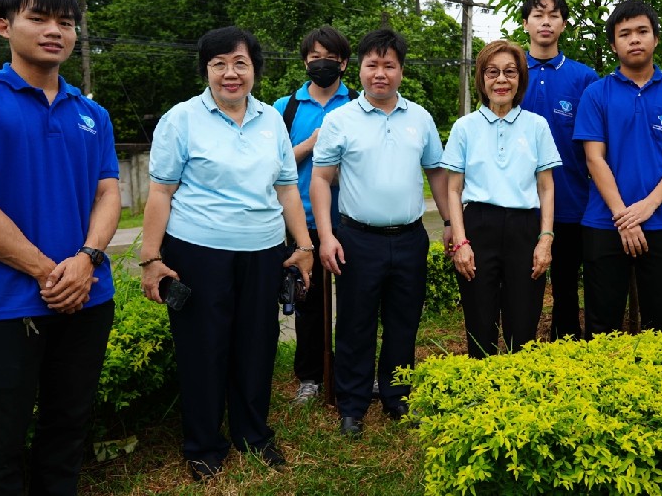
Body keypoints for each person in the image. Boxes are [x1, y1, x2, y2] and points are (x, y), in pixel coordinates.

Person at [0, 0, 121, 495]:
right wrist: (48, 271)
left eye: (65, 23)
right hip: (4, 303)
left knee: (67, 428)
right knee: (2, 438)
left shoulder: (93, 113)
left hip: (87, 295)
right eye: (38, 19)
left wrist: (85, 261)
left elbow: (109, 194)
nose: (55, 31)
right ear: (4, 27)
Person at [139, 26, 313, 480]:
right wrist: (151, 257)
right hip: (198, 250)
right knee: (202, 347)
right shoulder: (181, 119)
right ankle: (203, 445)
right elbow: (160, 193)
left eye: (241, 63)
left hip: (263, 250)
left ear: (255, 69)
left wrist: (305, 245)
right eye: (219, 64)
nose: (230, 74)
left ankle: (253, 434)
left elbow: (287, 188)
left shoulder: (271, 119)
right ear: (206, 71)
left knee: (258, 344)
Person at [310, 29, 451, 439]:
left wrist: (448, 224)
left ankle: (397, 396)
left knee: (403, 322)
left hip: (409, 238)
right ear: (359, 69)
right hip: (357, 238)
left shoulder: (420, 118)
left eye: (389, 65)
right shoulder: (339, 120)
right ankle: (351, 404)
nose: (380, 73)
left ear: (401, 71)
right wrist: (326, 236)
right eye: (372, 65)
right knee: (355, 323)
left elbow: (436, 174)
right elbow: (321, 180)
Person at [573, 0, 662, 336]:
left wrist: (647, 207)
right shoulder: (595, 93)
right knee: (601, 328)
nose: (635, 40)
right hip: (604, 223)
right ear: (613, 44)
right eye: (625, 34)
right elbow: (594, 159)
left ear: (656, 38)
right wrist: (624, 217)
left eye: (642, 32)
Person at [441, 40, 561, 358]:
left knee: (523, 324)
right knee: (479, 324)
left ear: (521, 78)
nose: (501, 80)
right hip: (478, 226)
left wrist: (545, 239)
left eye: (510, 72)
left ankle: (518, 397)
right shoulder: (464, 127)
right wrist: (461, 243)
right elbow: (454, 189)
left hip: (525, 228)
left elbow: (546, 187)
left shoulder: (537, 126)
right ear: (481, 79)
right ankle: (483, 394)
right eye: (492, 72)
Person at [272, 26, 357, 406]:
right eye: (314, 56)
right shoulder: (283, 109)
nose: (322, 63)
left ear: (343, 62)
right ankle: (310, 376)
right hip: (300, 222)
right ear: (305, 61)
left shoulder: (358, 103)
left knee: (357, 303)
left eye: (330, 57)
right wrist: (311, 143)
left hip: (352, 220)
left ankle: (353, 373)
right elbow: (273, 167)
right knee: (308, 304)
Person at [520, 0, 599, 340]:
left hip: (570, 198)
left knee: (566, 284)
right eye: (538, 15)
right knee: (521, 283)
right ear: (525, 24)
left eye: (553, 15)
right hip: (516, 200)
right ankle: (518, 350)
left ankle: (566, 347)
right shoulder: (510, 70)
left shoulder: (584, 79)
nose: (545, 22)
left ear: (564, 25)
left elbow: (595, 143)